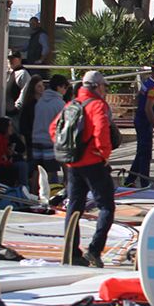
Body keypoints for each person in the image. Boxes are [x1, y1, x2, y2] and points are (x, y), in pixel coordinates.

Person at [53, 70, 116, 268]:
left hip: (73, 164)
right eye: (104, 86)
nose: (105, 90)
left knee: (74, 207)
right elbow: (100, 131)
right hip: (93, 163)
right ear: (97, 87)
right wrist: (104, 155)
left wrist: (68, 152)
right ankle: (94, 251)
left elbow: (53, 128)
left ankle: (71, 251)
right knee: (106, 206)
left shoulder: (72, 104)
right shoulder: (97, 105)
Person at [127, 61, 154, 186]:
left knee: (141, 152)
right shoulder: (153, 87)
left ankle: (130, 180)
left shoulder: (146, 82)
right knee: (145, 154)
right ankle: (144, 183)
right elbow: (148, 108)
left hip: (140, 119)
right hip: (145, 122)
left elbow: (137, 98)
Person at [33, 74, 69, 183]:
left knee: (38, 171)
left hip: (36, 138)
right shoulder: (60, 103)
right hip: (50, 140)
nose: (65, 91)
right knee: (49, 171)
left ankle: (34, 195)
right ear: (59, 87)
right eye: (65, 88)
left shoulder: (40, 101)